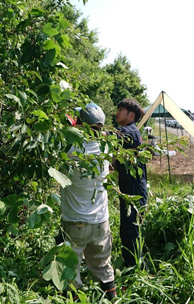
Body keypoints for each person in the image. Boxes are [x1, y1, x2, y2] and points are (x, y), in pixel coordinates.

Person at [59, 103, 116, 300]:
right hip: (101, 222)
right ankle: (111, 298)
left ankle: (75, 298)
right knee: (103, 266)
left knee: (71, 270)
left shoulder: (71, 148)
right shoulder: (106, 149)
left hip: (75, 222)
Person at [114, 98, 148, 269]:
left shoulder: (129, 131)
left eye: (121, 109)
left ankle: (136, 269)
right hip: (130, 188)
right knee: (128, 230)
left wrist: (93, 130)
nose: (117, 113)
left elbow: (110, 136)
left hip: (134, 190)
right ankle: (132, 265)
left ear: (131, 114)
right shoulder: (130, 132)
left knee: (131, 231)